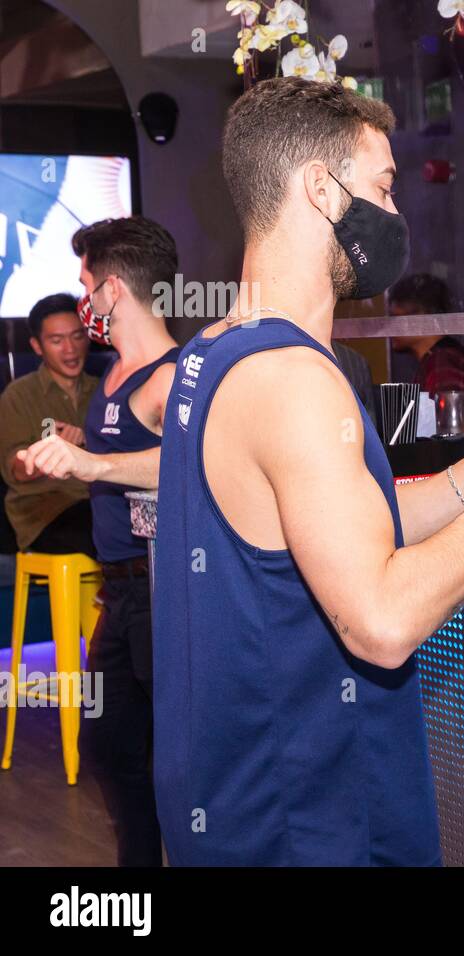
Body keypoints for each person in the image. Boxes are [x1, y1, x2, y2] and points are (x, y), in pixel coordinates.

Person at [151, 76, 464, 866]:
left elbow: (338, 523)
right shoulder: (294, 378)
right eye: (385, 189)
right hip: (306, 818)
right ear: (322, 190)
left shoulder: (216, 350)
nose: (395, 217)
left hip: (231, 803)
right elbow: (383, 623)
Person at [16, 217, 180, 867]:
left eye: (85, 284)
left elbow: (193, 465)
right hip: (118, 593)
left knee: (181, 762)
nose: (81, 298)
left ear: (113, 290)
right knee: (110, 748)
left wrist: (95, 467)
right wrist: (79, 448)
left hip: (165, 592)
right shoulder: (111, 375)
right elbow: (121, 449)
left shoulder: (174, 377)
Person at [0, 294, 97, 555]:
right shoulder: (18, 395)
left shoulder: (104, 390)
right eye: (56, 340)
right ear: (37, 346)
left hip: (98, 503)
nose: (70, 348)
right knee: (105, 532)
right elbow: (15, 470)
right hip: (45, 512)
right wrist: (48, 451)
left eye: (77, 336)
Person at [386, 272, 464, 421]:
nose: (390, 327)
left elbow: (449, 429)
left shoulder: (443, 364)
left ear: (423, 317)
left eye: (396, 318)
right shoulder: (443, 358)